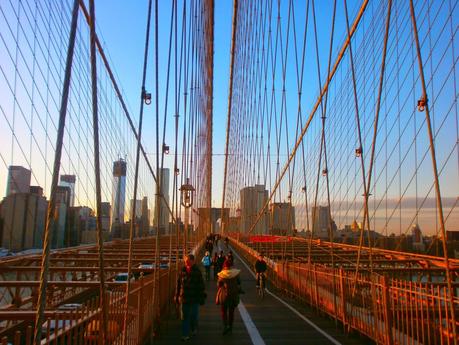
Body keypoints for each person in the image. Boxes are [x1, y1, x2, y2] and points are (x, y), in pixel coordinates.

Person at [174, 254, 206, 341]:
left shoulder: (197, 271)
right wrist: (176, 296)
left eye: (188, 261)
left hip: (194, 298)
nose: (186, 262)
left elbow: (201, 286)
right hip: (184, 297)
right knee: (185, 316)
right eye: (185, 261)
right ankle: (185, 335)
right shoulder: (182, 271)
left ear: (193, 261)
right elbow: (178, 284)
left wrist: (202, 297)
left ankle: (193, 327)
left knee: (193, 316)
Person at [216, 260, 241, 335]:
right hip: (233, 296)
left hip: (224, 296)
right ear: (230, 266)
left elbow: (219, 285)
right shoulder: (235, 273)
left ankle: (225, 326)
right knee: (231, 312)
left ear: (224, 266)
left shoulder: (222, 274)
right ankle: (230, 327)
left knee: (223, 312)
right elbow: (239, 282)